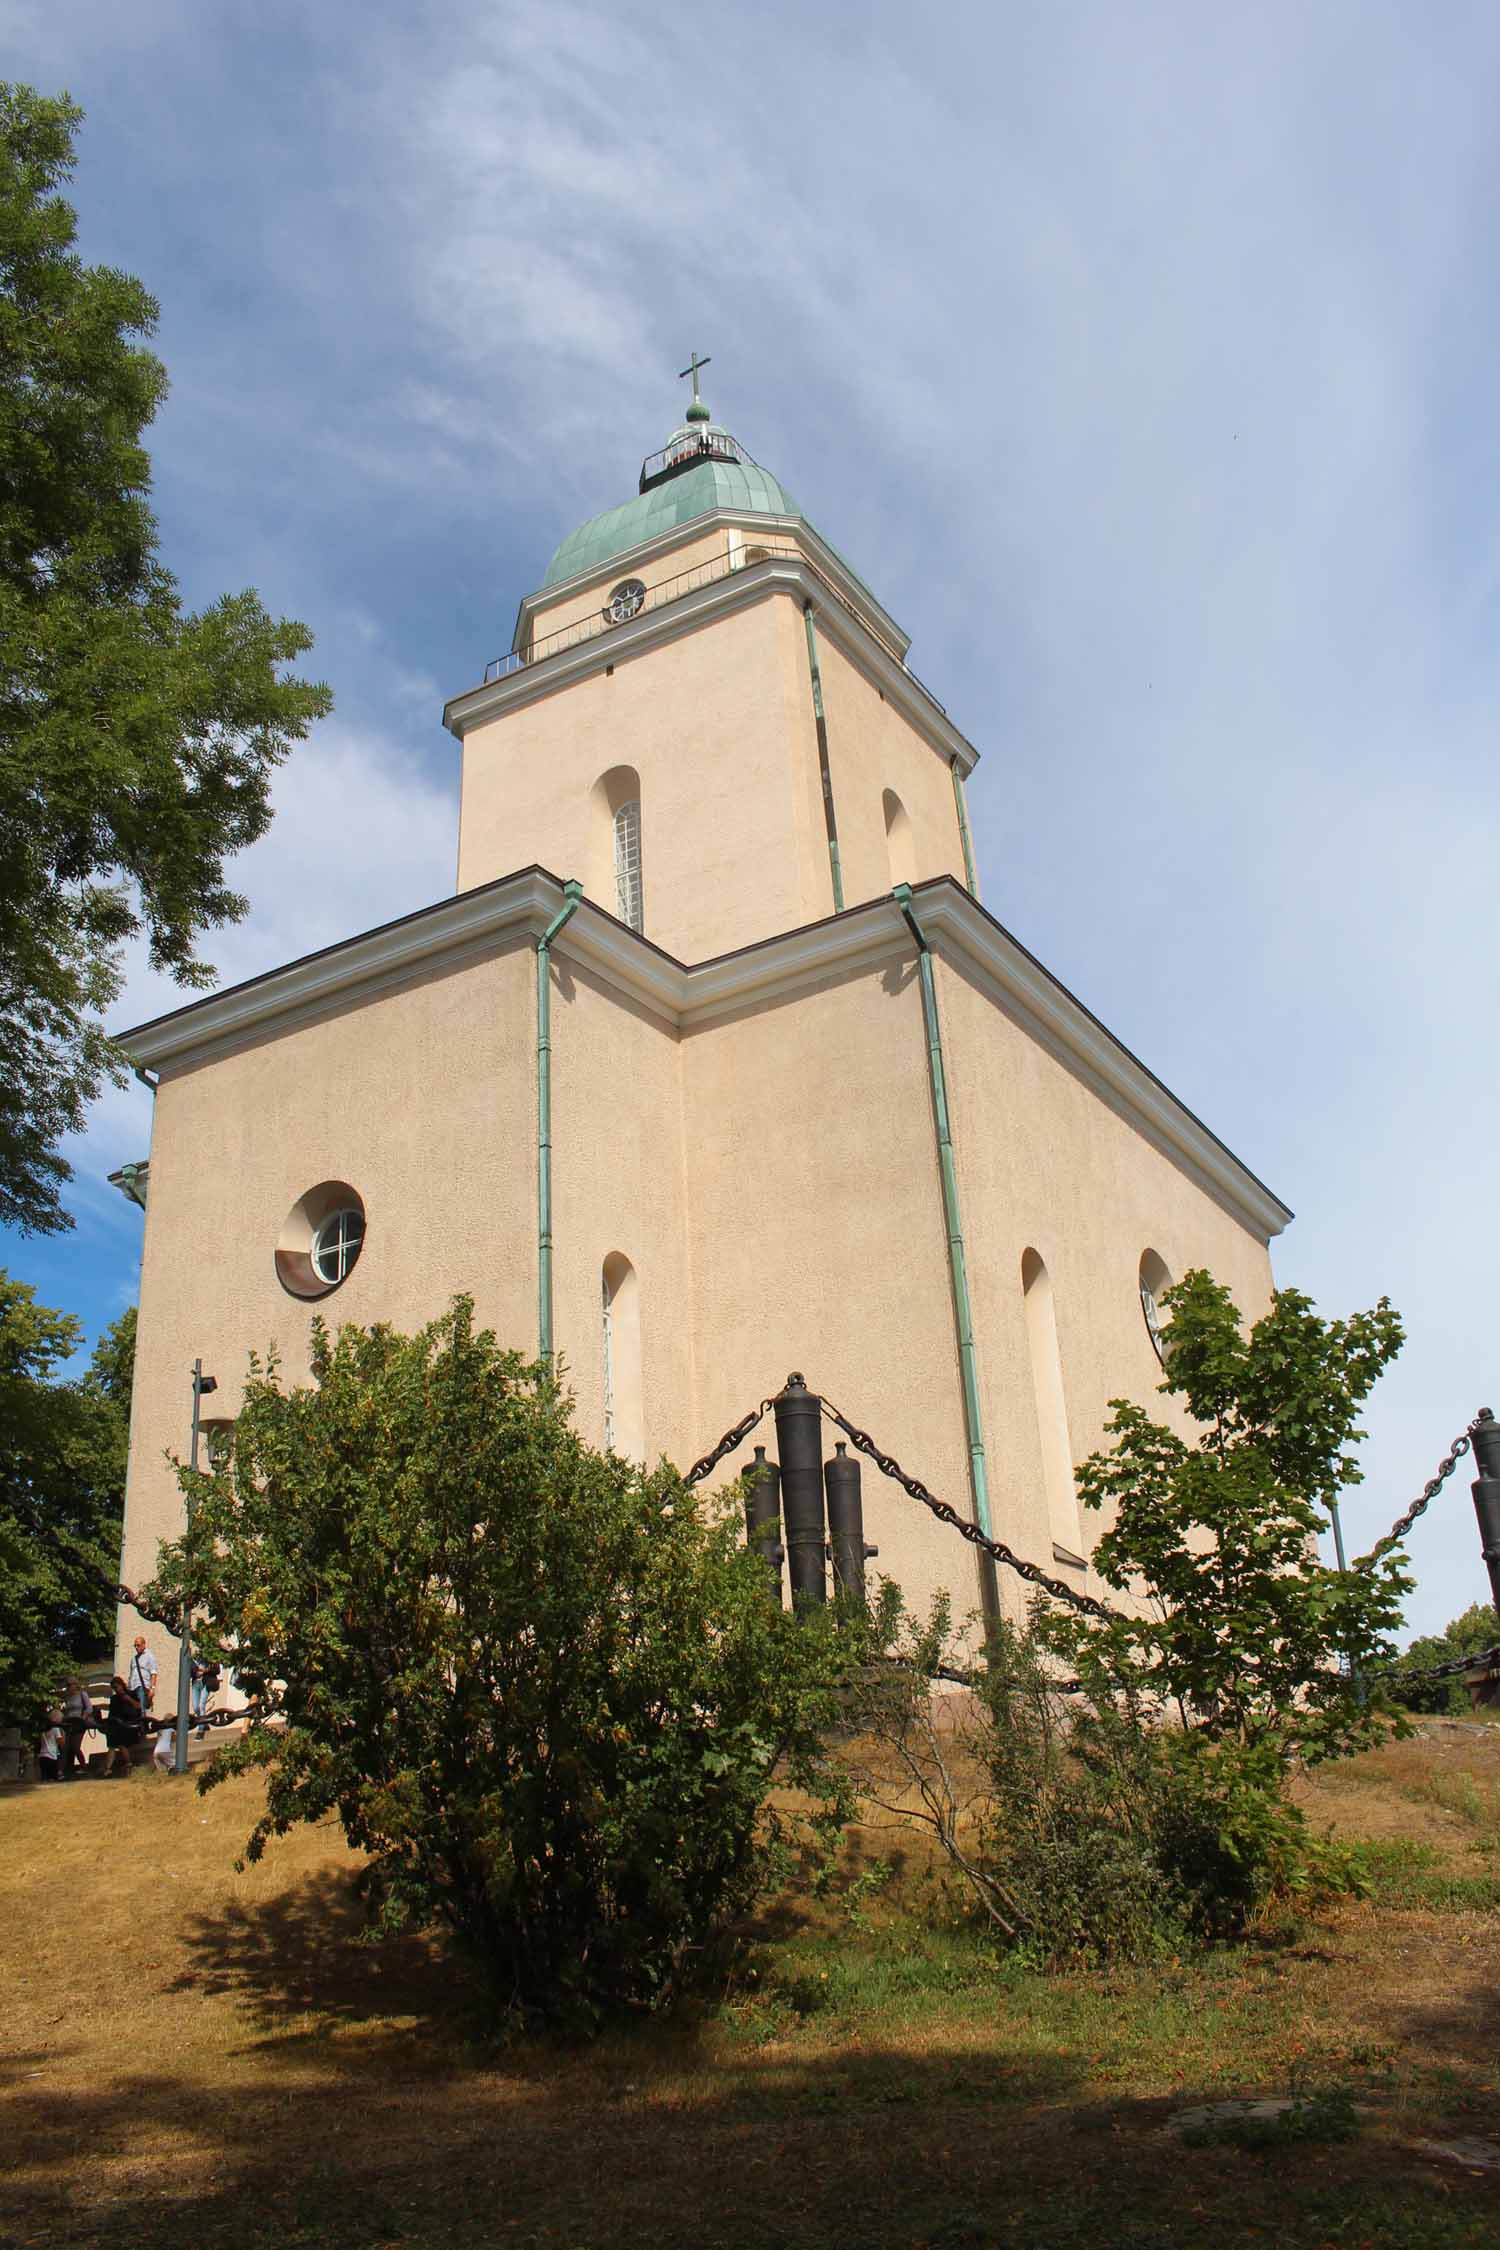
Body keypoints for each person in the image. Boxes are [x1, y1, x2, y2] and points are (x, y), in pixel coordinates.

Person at [103, 1676, 144, 1778]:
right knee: (112, 1744)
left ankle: (128, 1763)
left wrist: (128, 1699)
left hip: (130, 1725)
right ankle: (108, 1769)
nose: (116, 1690)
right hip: (118, 1726)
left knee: (119, 1741)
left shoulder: (131, 1694)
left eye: (116, 1687)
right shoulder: (114, 1699)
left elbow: (139, 1707)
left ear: (121, 1685)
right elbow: (112, 1714)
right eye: (114, 1688)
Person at [60, 1677, 95, 1779]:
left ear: (76, 1684)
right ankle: (62, 1771)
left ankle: (84, 1768)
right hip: (69, 1723)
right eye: (68, 1685)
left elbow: (89, 1708)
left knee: (75, 1746)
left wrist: (83, 1717)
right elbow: (66, 1711)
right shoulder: (67, 1697)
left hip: (79, 1723)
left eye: (71, 1684)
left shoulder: (82, 1694)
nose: (69, 1687)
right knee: (65, 1747)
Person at [190, 1654, 220, 1735]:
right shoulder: (194, 1659)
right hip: (196, 1683)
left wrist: (205, 1671)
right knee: (196, 1707)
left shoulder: (210, 1657)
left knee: (201, 1705)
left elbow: (217, 1670)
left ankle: (201, 1730)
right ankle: (205, 1723)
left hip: (206, 1683)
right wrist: (195, 1674)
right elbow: (189, 1672)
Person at [128, 1636, 157, 1716]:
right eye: (135, 1646)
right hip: (133, 1688)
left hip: (142, 1687)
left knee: (141, 1709)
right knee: (133, 1710)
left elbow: (153, 1673)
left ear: (144, 1645)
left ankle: (143, 1725)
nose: (136, 1647)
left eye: (138, 1645)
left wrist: (152, 1688)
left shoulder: (149, 1656)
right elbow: (131, 1674)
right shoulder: (134, 1659)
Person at [37, 1712, 63, 1782]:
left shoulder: (42, 1729)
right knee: (53, 1779)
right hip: (52, 1757)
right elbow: (61, 1742)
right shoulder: (56, 1729)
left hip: (42, 1756)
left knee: (44, 1779)